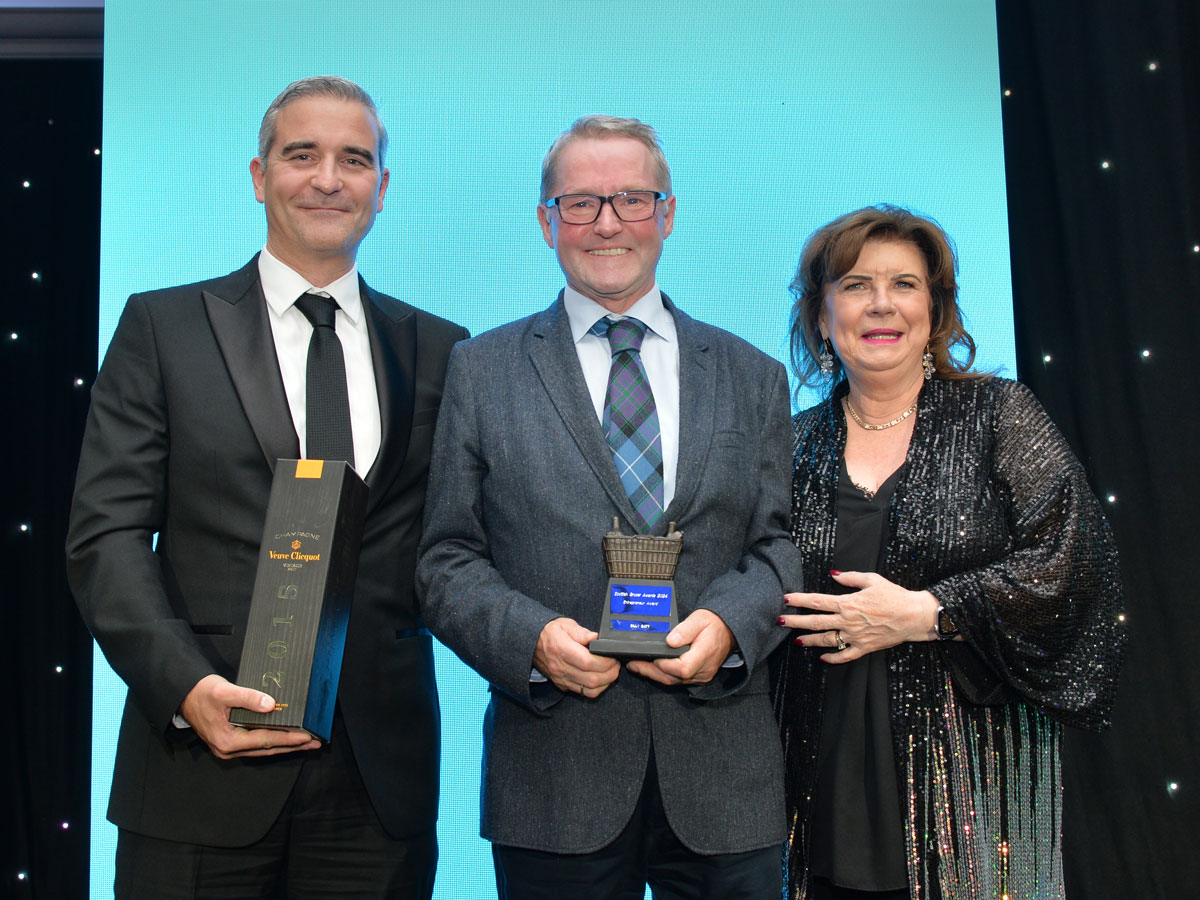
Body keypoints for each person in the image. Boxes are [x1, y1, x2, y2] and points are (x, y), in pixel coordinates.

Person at [66, 76, 467, 899]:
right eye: (302, 155)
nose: (328, 178)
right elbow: (104, 538)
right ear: (259, 176)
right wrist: (186, 687)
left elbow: (453, 546)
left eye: (354, 159)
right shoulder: (162, 327)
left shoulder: (440, 348)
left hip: (377, 786)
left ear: (381, 189)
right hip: (196, 766)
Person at [416, 115, 803, 900]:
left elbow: (780, 547)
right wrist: (530, 639)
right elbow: (445, 559)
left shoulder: (751, 372)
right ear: (545, 221)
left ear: (666, 213)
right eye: (581, 202)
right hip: (555, 772)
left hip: (725, 770)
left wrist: (730, 624)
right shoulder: (481, 369)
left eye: (630, 198)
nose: (606, 222)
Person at [773, 205, 1124, 900]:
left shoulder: (999, 414)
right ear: (820, 316)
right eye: (854, 285)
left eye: (904, 284)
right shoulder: (788, 443)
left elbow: (1076, 561)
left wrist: (931, 611)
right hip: (817, 785)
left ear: (935, 311)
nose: (881, 304)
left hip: (970, 793)